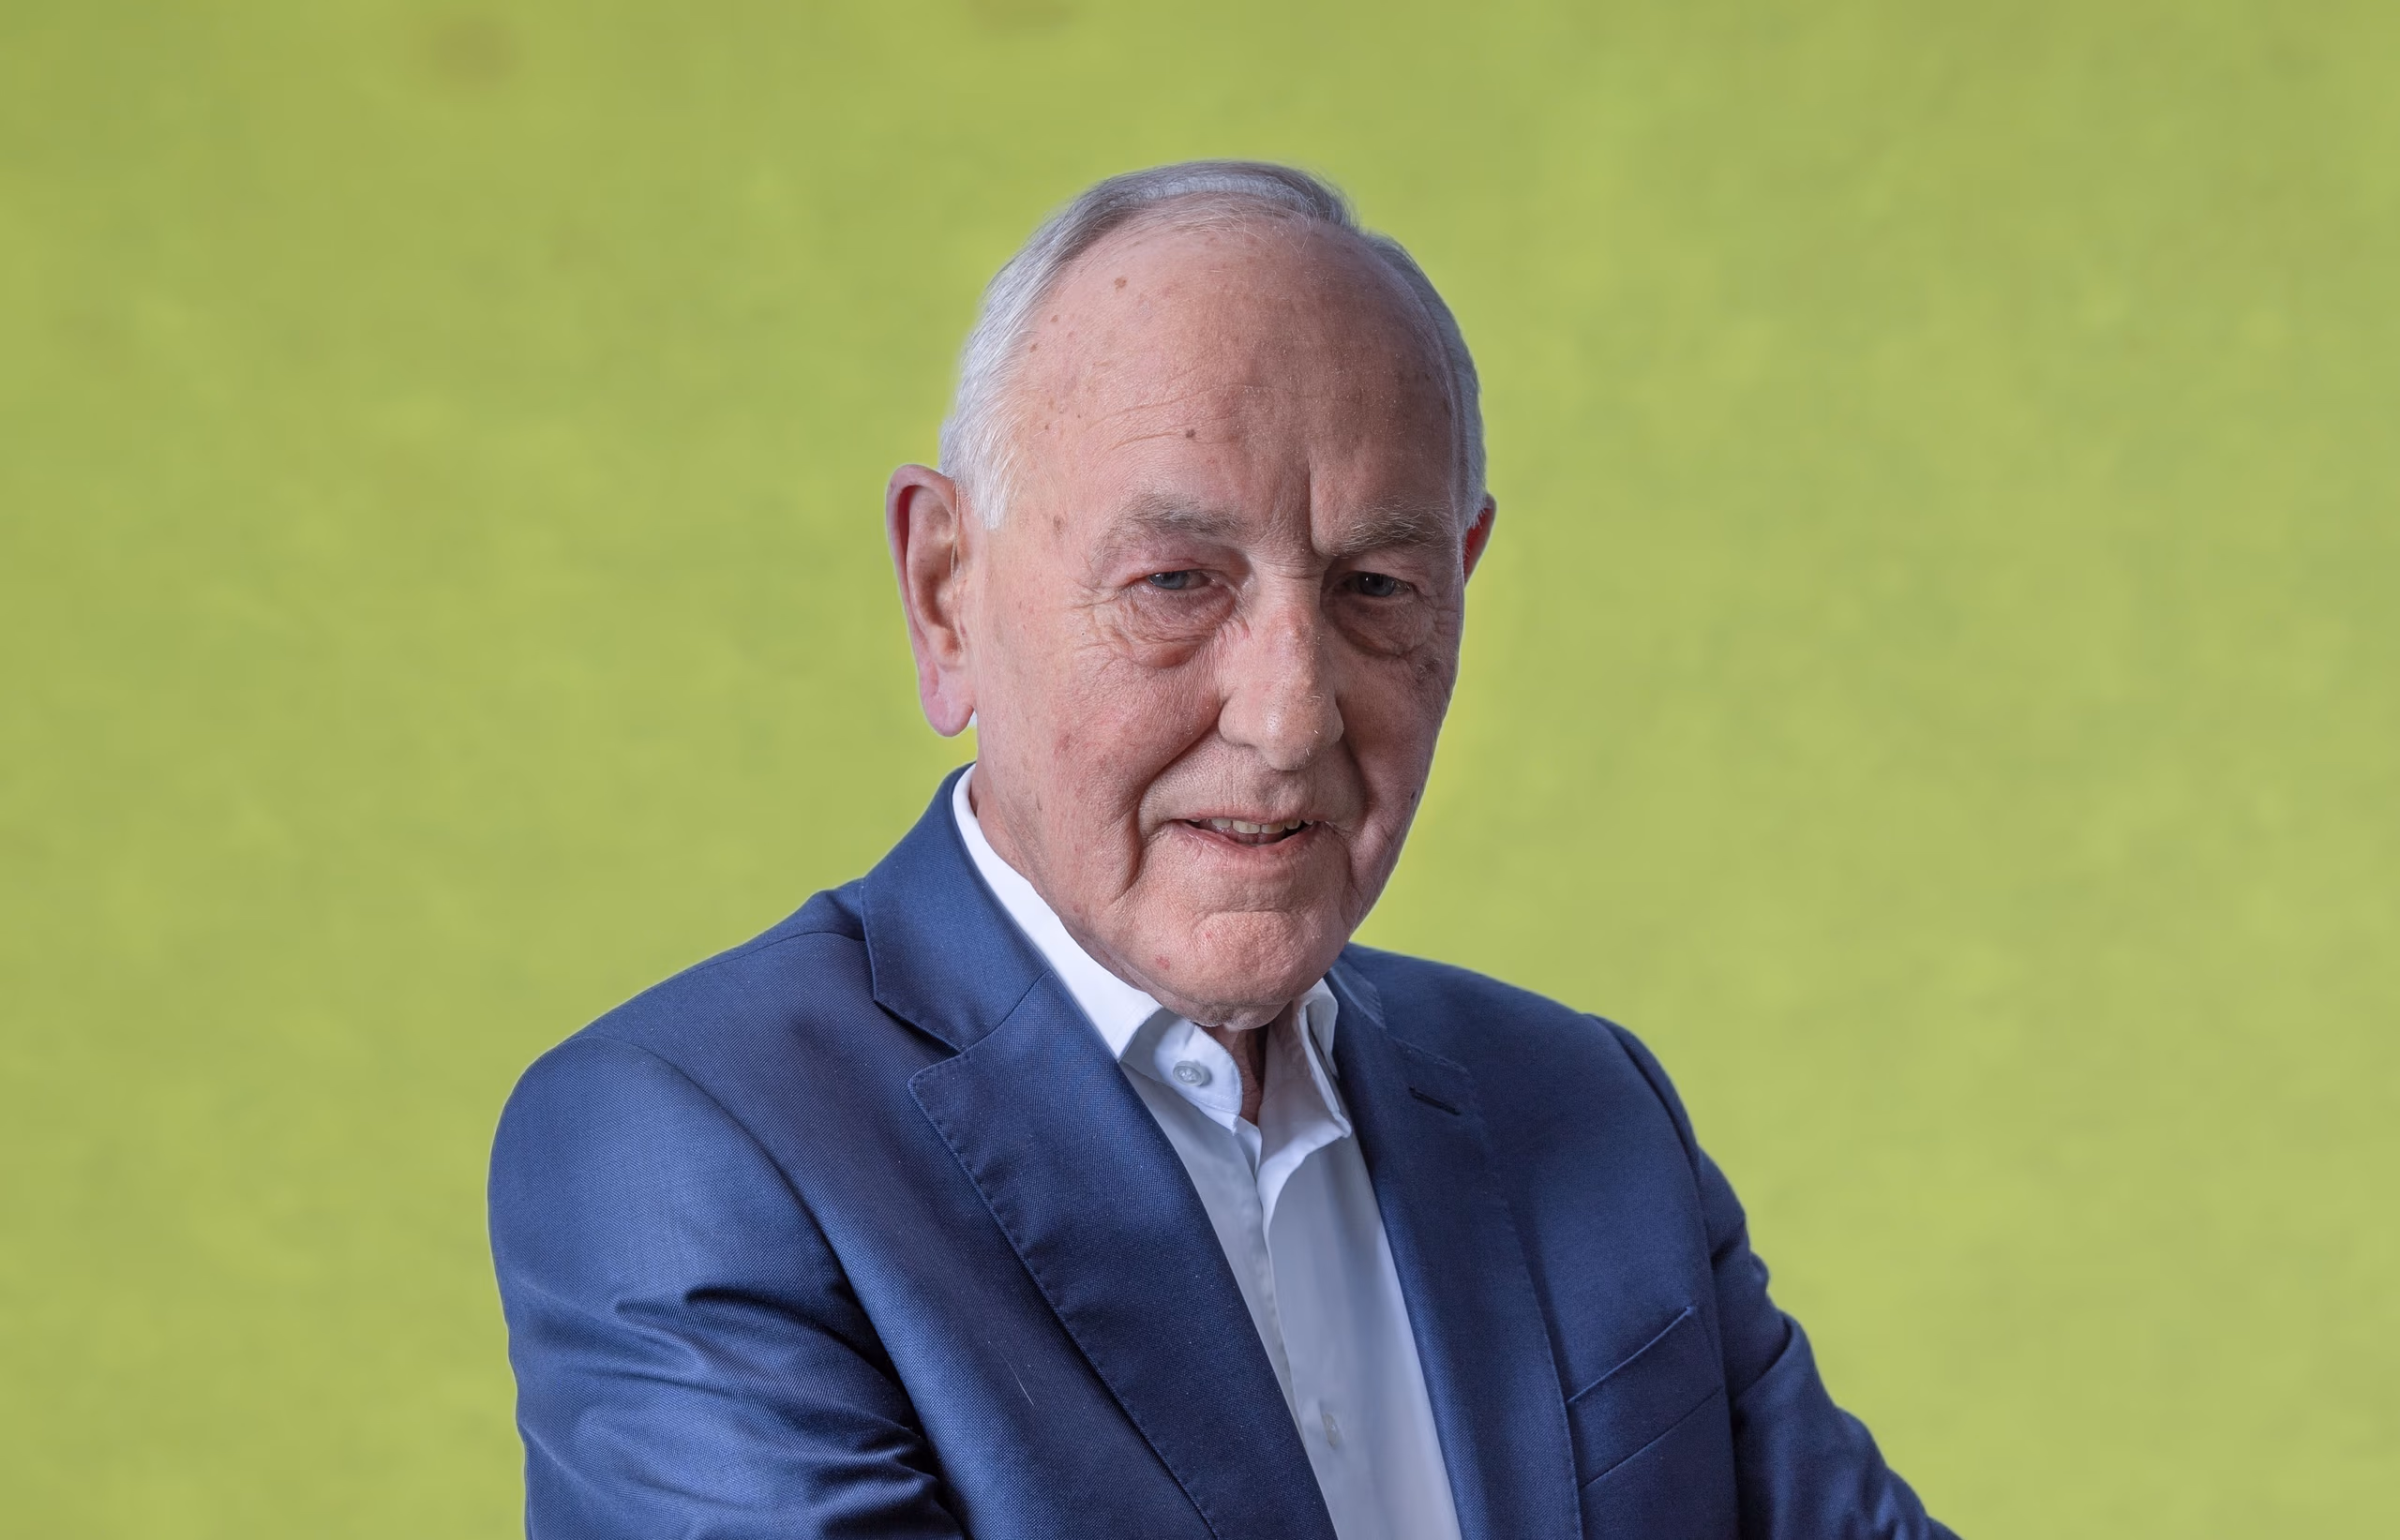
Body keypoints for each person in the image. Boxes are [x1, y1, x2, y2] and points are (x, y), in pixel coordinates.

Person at [488, 160, 1955, 1540]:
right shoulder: (689, 1146)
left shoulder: (1584, 1108)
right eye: (1177, 580)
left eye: (1377, 585)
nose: (1289, 711)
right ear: (946, 593)